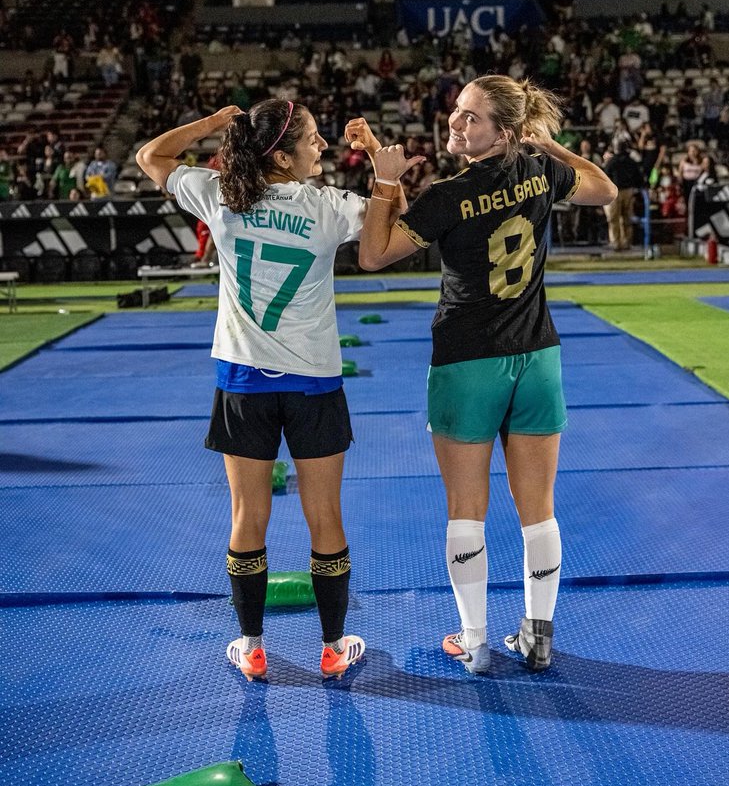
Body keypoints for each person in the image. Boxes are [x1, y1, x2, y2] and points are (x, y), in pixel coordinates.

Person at [356, 75, 616, 676]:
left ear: (503, 132)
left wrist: (384, 179)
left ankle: (474, 642)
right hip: (538, 358)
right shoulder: (541, 173)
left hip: (467, 361)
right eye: (457, 109)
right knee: (539, 511)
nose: (455, 121)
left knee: (466, 510)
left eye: (471, 117)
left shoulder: (449, 195)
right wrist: (548, 146)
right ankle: (538, 634)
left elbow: (373, 254)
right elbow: (603, 190)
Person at [135, 98, 376, 683]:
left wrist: (215, 124)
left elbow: (150, 156)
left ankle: (251, 647)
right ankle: (333, 648)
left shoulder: (221, 194)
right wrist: (377, 160)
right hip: (314, 383)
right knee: (326, 516)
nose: (323, 146)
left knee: (248, 516)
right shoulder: (329, 207)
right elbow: (393, 230)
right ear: (284, 156)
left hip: (243, 381)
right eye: (313, 138)